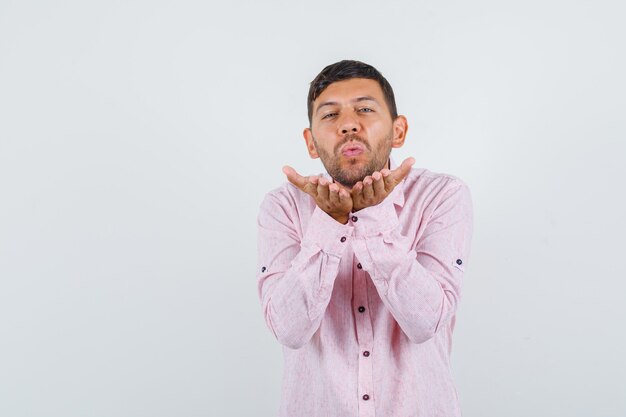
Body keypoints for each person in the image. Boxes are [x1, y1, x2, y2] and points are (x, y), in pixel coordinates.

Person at [256, 60, 474, 417]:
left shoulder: (442, 195)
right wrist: (329, 222)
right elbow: (288, 329)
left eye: (365, 109)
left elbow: (427, 323)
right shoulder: (282, 206)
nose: (348, 125)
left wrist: (371, 219)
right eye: (329, 115)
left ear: (398, 131)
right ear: (311, 143)